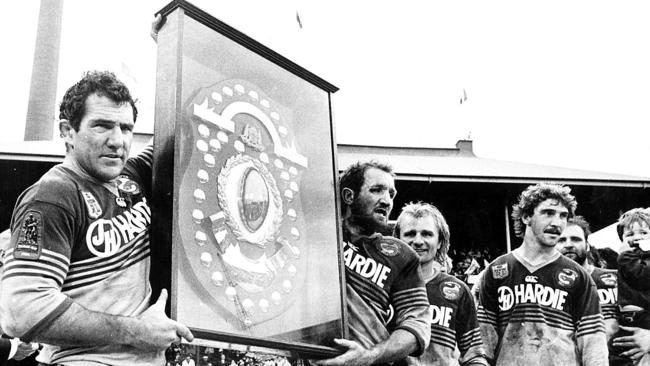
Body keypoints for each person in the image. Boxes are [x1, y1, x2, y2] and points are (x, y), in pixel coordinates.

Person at [0, 71, 193, 365]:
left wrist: (173, 35)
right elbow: (22, 312)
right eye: (102, 126)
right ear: (67, 131)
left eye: (126, 128)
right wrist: (137, 332)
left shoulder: (130, 176)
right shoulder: (52, 197)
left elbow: (183, 123)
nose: (118, 141)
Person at [476, 183, 607, 366]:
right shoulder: (498, 270)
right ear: (526, 216)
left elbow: (593, 344)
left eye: (563, 216)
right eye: (548, 213)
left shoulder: (579, 276)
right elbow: (484, 340)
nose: (557, 223)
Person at [314, 161, 430, 366]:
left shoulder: (402, 255)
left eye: (391, 194)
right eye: (376, 190)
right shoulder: (316, 238)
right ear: (349, 196)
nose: (386, 201)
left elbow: (417, 324)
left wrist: (366, 357)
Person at [394, 202, 488, 366]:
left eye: (427, 234)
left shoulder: (458, 291)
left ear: (439, 242)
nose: (418, 241)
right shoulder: (384, 287)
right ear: (397, 240)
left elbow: (473, 355)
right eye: (409, 234)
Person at [556, 216, 621, 363]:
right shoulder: (548, 287)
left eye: (575, 239)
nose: (568, 245)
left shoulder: (615, 278)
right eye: (561, 240)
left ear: (587, 244)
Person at [611, 208, 650, 365]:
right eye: (630, 234)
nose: (637, 237)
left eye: (644, 232)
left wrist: (625, 255)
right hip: (630, 318)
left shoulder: (630, 258)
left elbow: (640, 275)